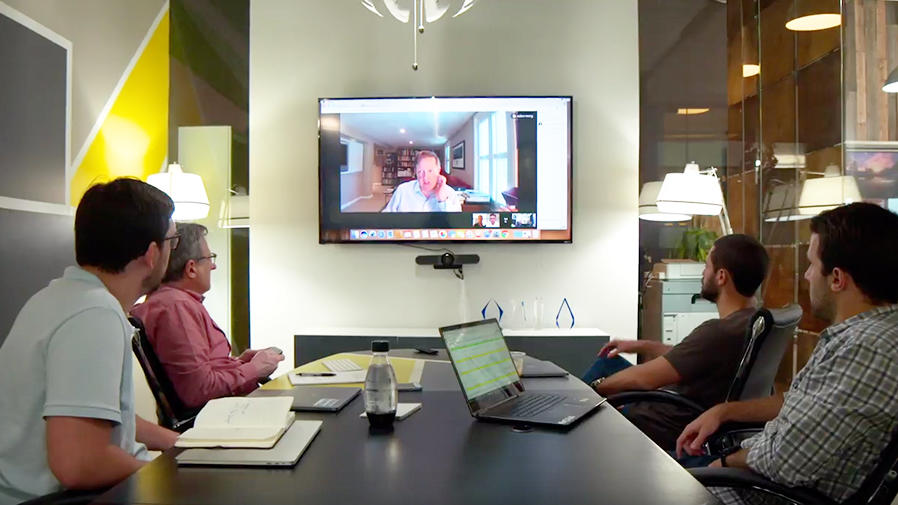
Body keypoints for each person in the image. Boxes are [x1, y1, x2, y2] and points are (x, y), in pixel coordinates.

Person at [676, 203, 898, 505]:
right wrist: (724, 411)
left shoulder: (867, 349)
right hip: (757, 479)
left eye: (811, 265)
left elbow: (786, 459)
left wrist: (722, 464)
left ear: (836, 278)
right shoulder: (865, 335)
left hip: (757, 494)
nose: (806, 276)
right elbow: (798, 403)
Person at [0, 178, 181, 503]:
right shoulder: (94, 314)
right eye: (172, 240)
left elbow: (101, 418)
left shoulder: (55, 298)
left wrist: (179, 445)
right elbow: (79, 463)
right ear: (152, 253)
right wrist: (163, 477)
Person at [582, 234, 769, 452]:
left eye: (706, 266)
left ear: (721, 276)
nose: (702, 272)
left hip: (662, 420)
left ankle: (565, 413)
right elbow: (690, 356)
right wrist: (644, 346)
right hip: (676, 403)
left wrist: (593, 389)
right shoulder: (750, 320)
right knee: (608, 363)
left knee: (593, 383)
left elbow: (644, 380)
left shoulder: (718, 331)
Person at [131, 223, 284, 410]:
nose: (214, 265)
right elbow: (198, 389)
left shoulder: (173, 303)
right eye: (209, 258)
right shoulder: (176, 308)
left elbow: (196, 372)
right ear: (191, 268)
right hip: (223, 416)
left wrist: (238, 363)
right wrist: (254, 369)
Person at [382, 150, 461, 212]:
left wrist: (443, 200)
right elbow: (386, 217)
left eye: (430, 171)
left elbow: (457, 226)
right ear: (416, 172)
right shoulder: (403, 190)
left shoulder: (451, 193)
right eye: (420, 172)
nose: (425, 177)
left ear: (438, 170)